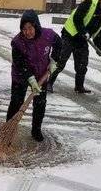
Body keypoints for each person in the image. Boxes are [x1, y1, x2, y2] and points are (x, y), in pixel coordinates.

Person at [7, 10, 62, 142]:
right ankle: (8, 130)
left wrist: (54, 60)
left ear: (36, 26)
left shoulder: (48, 35)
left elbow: (59, 44)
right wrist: (31, 79)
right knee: (16, 102)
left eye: (30, 28)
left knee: (40, 103)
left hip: (42, 73)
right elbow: (20, 64)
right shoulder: (17, 42)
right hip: (20, 75)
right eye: (24, 29)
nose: (27, 32)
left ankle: (36, 129)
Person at [48, 0, 101, 94]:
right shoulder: (89, 3)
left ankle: (79, 86)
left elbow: (98, 31)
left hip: (82, 40)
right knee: (61, 61)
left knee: (82, 64)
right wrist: (83, 31)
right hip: (70, 35)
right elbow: (77, 18)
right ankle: (49, 83)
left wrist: (99, 47)